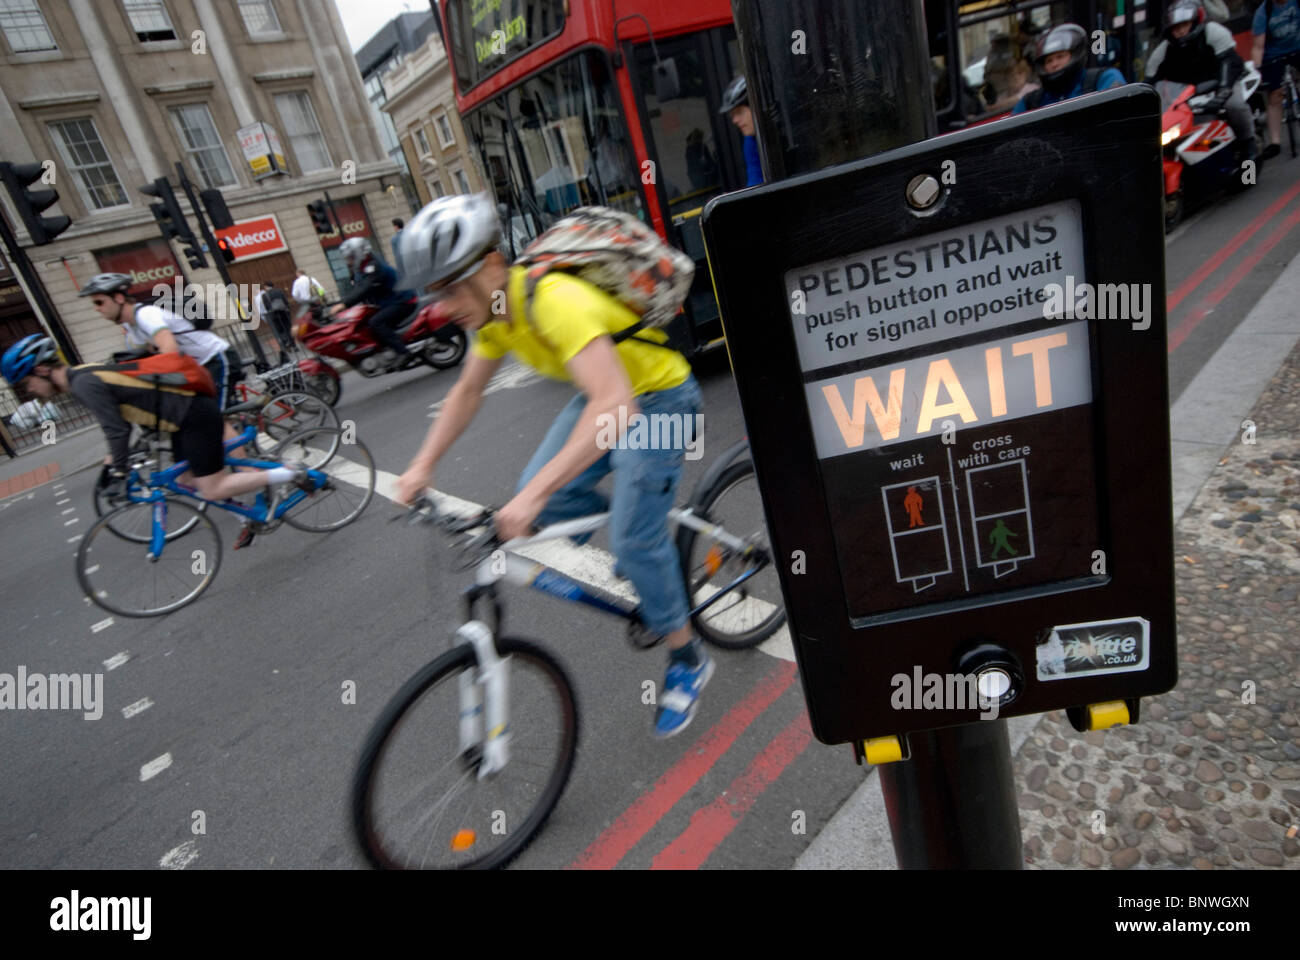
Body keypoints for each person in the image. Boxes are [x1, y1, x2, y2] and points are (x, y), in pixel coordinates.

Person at [393, 195, 710, 738]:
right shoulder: (496, 311)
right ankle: (643, 532)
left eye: (449, 289)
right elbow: (468, 390)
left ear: (492, 267)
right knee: (546, 495)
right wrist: (421, 466)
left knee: (623, 535)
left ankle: (688, 659)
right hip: (606, 399)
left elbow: (617, 405)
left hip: (659, 399)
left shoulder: (555, 300)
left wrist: (533, 499)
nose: (442, 308)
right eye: (434, 294)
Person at [0, 334, 313, 509]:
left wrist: (120, 470)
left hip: (190, 414)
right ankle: (248, 516)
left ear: (40, 371)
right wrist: (115, 461)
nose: (31, 394)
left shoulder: (83, 384)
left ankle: (289, 473)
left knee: (212, 488)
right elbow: (126, 417)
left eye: (26, 386)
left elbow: (116, 428)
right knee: (185, 481)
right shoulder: (83, 376)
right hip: (178, 420)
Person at [79, 273, 241, 412]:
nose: (97, 308)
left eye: (99, 302)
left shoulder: (146, 315)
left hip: (217, 358)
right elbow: (148, 356)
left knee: (215, 419)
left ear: (119, 298)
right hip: (198, 366)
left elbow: (170, 352)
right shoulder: (131, 325)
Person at [1146, 0, 1259, 162]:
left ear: (1195, 21)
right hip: (1188, 94)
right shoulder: (1163, 50)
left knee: (1234, 105)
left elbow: (1229, 62)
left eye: (1184, 25)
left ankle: (1249, 144)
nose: (1180, 31)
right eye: (1176, 28)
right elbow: (1150, 81)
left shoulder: (1213, 32)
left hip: (1223, 82)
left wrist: (1223, 92)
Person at [332, 237, 422, 367]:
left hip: (403, 300)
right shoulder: (363, 267)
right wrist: (338, 304)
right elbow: (357, 289)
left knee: (376, 323)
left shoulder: (373, 266)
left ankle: (404, 352)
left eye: (351, 257)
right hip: (390, 301)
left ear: (358, 253)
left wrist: (344, 304)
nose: (349, 261)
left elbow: (366, 288)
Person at [1013, 23, 1125, 113]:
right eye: (1049, 61)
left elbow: (1119, 109)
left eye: (1060, 57)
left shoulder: (1103, 78)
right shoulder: (1031, 101)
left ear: (1075, 55)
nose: (1054, 64)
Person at [1252, 0, 1300, 159]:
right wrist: (1257, 70)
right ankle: (1275, 142)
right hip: (1273, 55)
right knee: (1275, 95)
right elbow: (1258, 46)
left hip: (1298, 47)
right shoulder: (1264, 11)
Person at [720, 76, 763, 187]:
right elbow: (755, 183)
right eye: (732, 115)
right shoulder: (750, 141)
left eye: (739, 112)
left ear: (756, 106)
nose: (735, 120)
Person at [255, 280, 296, 363]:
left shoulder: (265, 295)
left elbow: (267, 307)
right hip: (284, 313)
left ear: (266, 286)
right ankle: (294, 345)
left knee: (280, 331)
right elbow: (285, 301)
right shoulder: (279, 291)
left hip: (275, 316)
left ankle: (285, 345)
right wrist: (287, 311)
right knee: (288, 328)